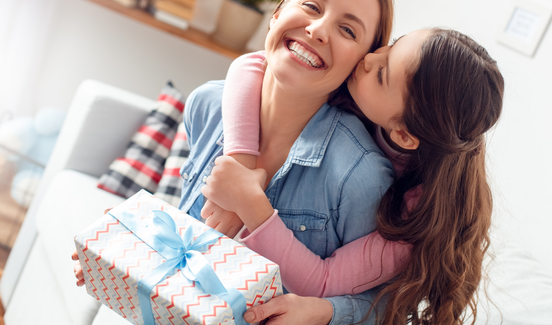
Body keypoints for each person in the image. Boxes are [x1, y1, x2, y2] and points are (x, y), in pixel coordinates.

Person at [74, 0, 397, 325]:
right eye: (311, 6)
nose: (318, 30)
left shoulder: (361, 176)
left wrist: (326, 313)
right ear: (277, 13)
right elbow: (189, 236)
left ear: (360, 65)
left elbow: (385, 306)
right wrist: (126, 250)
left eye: (348, 31)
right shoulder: (207, 105)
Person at [203, 27, 505, 325]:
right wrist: (241, 161)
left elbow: (323, 281)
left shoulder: (416, 216)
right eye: (392, 45)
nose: (371, 58)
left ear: (403, 134)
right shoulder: (363, 94)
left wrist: (251, 204)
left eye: (381, 74)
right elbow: (253, 63)